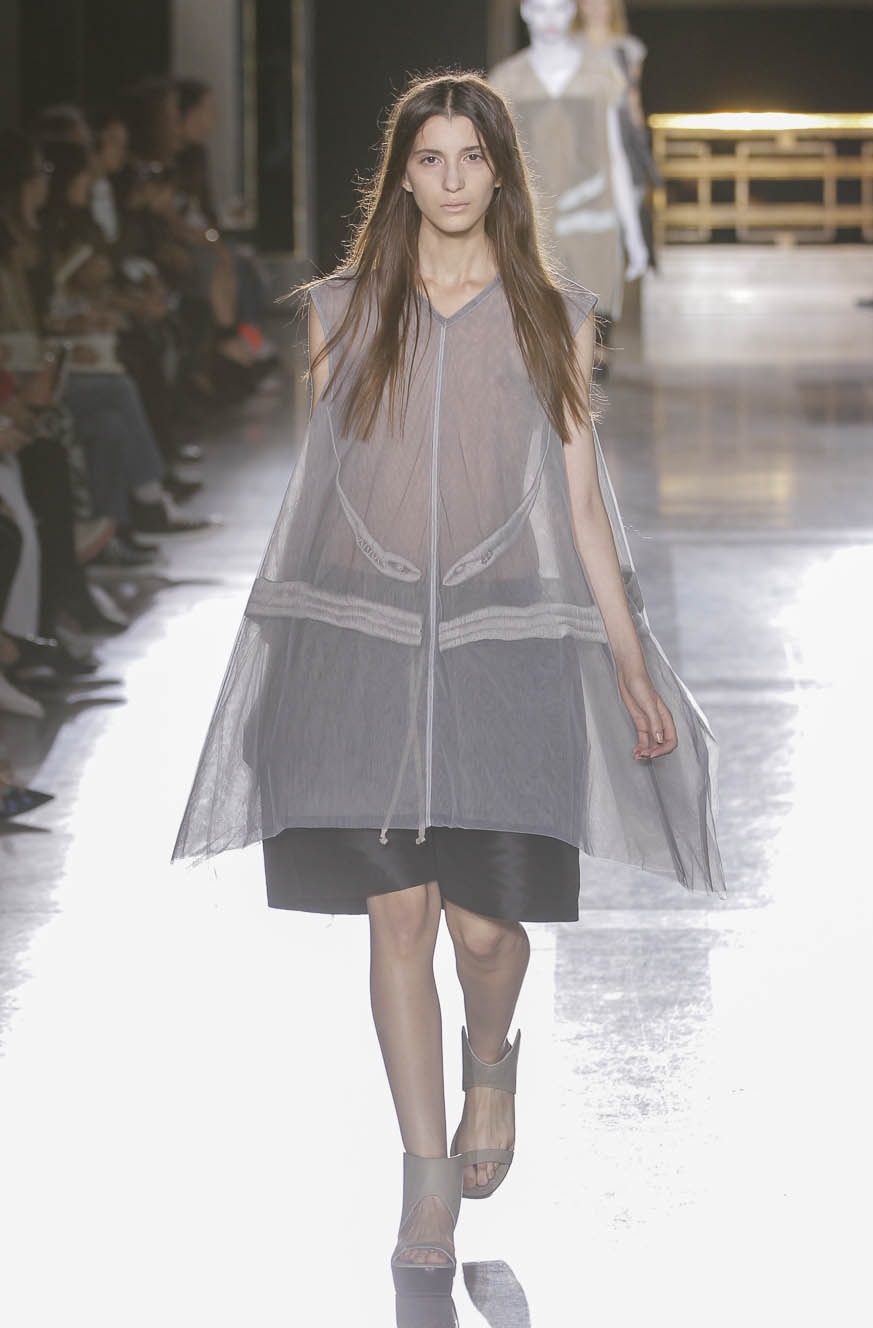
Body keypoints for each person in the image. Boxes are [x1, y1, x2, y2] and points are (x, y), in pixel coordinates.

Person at [174, 72, 723, 1299]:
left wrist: (631, 661)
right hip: (361, 636)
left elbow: (583, 505)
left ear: (502, 172)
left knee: (484, 930)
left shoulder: (555, 318)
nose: (454, 178)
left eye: (473, 156)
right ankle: (425, 1177)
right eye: (431, 158)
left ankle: (490, 1060)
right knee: (398, 917)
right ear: (404, 176)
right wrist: (288, 651)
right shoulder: (341, 311)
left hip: (503, 639)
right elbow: (323, 490)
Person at [489, 0, 648, 374]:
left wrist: (633, 233)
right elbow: (498, 159)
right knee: (536, 345)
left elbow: (615, 154)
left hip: (593, 217)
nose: (549, 19)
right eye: (539, 8)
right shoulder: (506, 80)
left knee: (588, 357)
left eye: (559, 8)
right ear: (524, 11)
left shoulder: (601, 75)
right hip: (531, 219)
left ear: (570, 11)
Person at [576, 0, 661, 267]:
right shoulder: (567, 47)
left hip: (618, 136)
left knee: (622, 212)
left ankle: (618, 271)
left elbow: (633, 100)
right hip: (580, 137)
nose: (596, 7)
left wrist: (640, 146)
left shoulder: (628, 49)